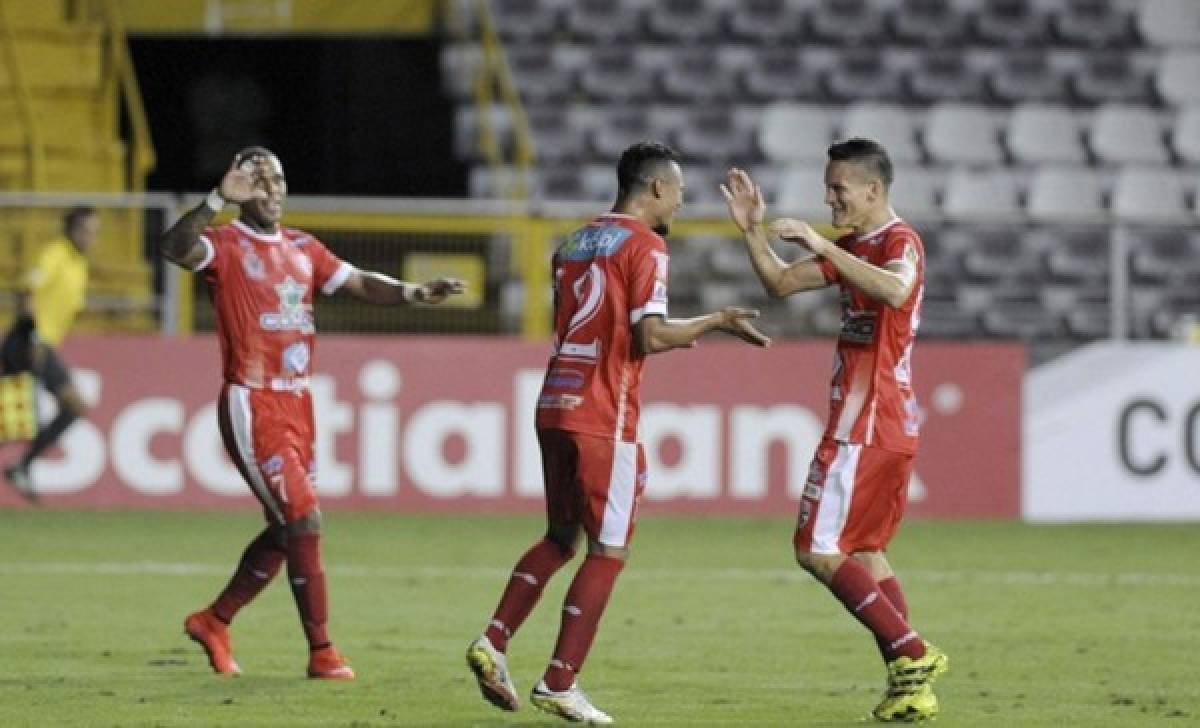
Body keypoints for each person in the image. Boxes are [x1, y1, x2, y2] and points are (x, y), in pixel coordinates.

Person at [465, 142, 770, 724]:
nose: (680, 203)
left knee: (559, 537)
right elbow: (649, 336)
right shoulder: (646, 246)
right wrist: (716, 322)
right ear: (654, 189)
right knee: (610, 548)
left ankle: (494, 641)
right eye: (677, 191)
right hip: (605, 413)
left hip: (554, 399)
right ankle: (559, 682)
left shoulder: (574, 241)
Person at [159, 146, 463, 680]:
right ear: (239, 188)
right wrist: (213, 201)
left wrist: (414, 292)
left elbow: (360, 281)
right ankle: (322, 652)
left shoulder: (303, 247)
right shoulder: (227, 245)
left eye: (277, 178)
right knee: (303, 518)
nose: (271, 189)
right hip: (252, 400)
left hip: (300, 402)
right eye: (257, 181)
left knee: (287, 529)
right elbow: (173, 246)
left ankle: (214, 620)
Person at [720, 139, 949, 722]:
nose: (829, 198)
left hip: (866, 422)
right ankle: (911, 684)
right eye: (827, 189)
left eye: (838, 189)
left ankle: (911, 652)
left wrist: (821, 242)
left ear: (873, 190)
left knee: (815, 548)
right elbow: (778, 283)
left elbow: (896, 289)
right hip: (879, 422)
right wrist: (753, 230)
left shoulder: (900, 243)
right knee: (865, 551)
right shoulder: (857, 246)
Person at [2, 206, 99, 502]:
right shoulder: (55, 253)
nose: (93, 238)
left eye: (97, 232)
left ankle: (23, 466)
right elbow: (27, 292)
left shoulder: (79, 263)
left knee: (22, 417)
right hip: (26, 342)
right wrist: (31, 336)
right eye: (89, 231)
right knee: (20, 418)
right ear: (73, 230)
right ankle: (23, 466)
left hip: (43, 344)